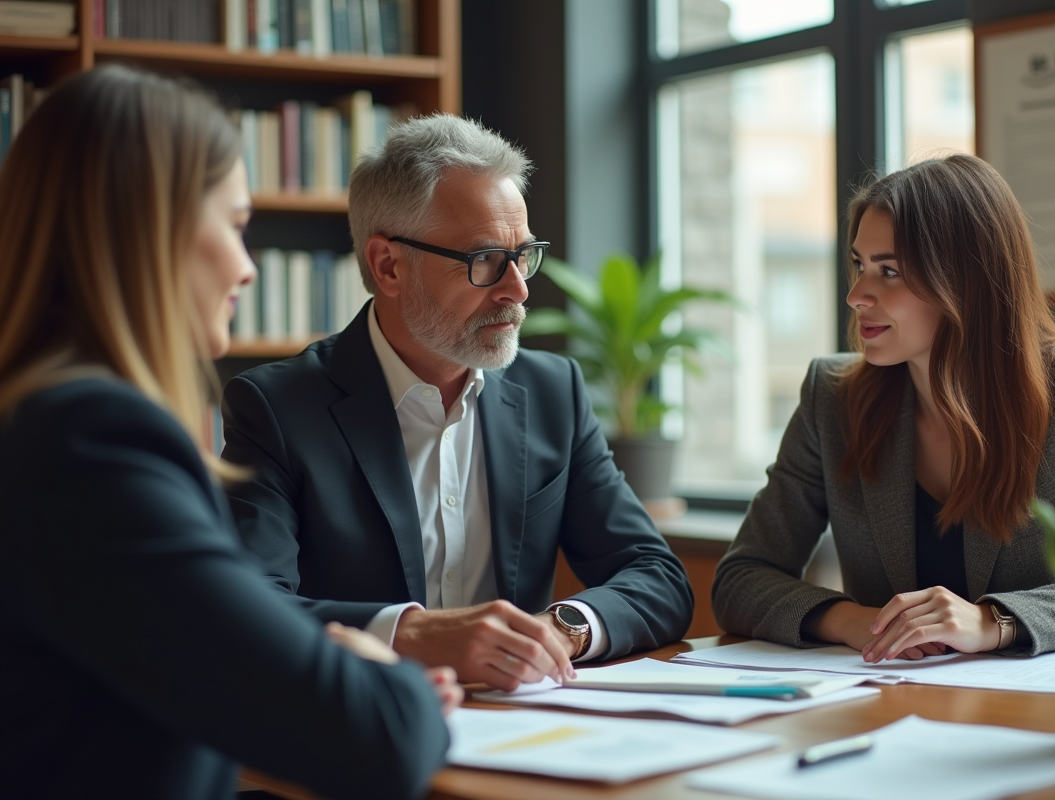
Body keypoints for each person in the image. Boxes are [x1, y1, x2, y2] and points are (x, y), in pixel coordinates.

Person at [0, 65, 460, 800]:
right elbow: (379, 740)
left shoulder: (37, 424)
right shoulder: (93, 449)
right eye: (238, 225)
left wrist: (313, 660)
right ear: (153, 227)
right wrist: (382, 680)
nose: (248, 269)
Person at [221, 113, 694, 691]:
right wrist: (412, 636)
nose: (518, 289)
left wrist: (559, 628)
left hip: (524, 734)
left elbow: (658, 576)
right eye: (485, 260)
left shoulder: (553, 393)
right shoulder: (276, 408)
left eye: (523, 255)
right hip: (364, 738)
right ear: (388, 265)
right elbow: (245, 610)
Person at [712, 154, 1055, 660]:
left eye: (889, 271)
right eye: (859, 265)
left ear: (964, 283)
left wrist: (994, 621)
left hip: (1030, 718)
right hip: (887, 706)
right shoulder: (831, 398)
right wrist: (858, 622)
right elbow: (741, 578)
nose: (857, 295)